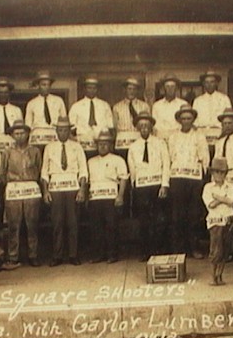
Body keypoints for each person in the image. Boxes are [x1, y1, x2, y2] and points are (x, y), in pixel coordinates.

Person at [41, 116, 88, 266]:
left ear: (69, 131)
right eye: (60, 130)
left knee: (73, 223)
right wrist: (45, 192)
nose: (62, 133)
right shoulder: (49, 148)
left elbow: (83, 171)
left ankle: (73, 255)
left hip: (72, 187)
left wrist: (82, 190)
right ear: (56, 131)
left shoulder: (77, 147)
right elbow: (44, 172)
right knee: (57, 223)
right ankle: (57, 255)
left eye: (65, 130)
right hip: (55, 187)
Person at [168, 104, 210, 258]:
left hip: (194, 178)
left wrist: (202, 176)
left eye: (189, 118)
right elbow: (170, 156)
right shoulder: (173, 137)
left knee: (193, 214)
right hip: (177, 177)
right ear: (179, 120)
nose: (186, 121)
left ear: (193, 120)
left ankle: (194, 248)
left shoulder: (199, 136)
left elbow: (205, 157)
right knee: (177, 214)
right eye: (183, 118)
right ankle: (179, 248)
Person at [127, 111, 170, 261]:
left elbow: (166, 164)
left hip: (157, 185)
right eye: (141, 126)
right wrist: (135, 187)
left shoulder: (160, 143)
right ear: (138, 128)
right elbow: (132, 168)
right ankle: (145, 251)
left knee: (159, 219)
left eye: (147, 125)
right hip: (142, 187)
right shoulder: (133, 147)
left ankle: (159, 249)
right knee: (143, 220)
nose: (144, 128)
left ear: (151, 127)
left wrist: (164, 185)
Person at [1, 120, 43, 267]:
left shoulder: (35, 151)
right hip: (14, 189)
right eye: (16, 133)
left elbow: (39, 169)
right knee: (13, 224)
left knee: (32, 223)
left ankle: (33, 255)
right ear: (12, 135)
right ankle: (13, 256)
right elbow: (2, 172)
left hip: (31, 188)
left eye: (22, 133)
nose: (19, 136)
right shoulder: (7, 152)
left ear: (27, 134)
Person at [87, 130, 129, 263]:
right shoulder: (91, 161)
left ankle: (112, 254)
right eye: (100, 144)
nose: (103, 146)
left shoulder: (118, 160)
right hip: (95, 197)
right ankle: (99, 254)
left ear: (111, 145)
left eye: (106, 143)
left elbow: (123, 179)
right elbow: (87, 181)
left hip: (111, 196)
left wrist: (120, 196)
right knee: (96, 227)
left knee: (111, 226)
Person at [202, 157, 233, 286]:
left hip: (227, 221)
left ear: (226, 174)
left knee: (225, 250)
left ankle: (220, 276)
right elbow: (211, 205)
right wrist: (224, 199)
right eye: (216, 172)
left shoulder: (230, 187)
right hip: (215, 222)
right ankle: (213, 277)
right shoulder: (208, 187)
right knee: (215, 251)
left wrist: (218, 198)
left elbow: (232, 202)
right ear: (212, 173)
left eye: (222, 172)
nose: (219, 175)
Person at [69, 76, 114, 155]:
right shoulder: (76, 106)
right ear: (85, 89)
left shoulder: (104, 105)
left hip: (100, 144)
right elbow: (72, 128)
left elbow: (110, 126)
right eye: (89, 88)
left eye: (94, 88)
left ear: (97, 89)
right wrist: (81, 132)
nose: (92, 90)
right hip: (82, 143)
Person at [25, 70, 67, 146]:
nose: (46, 87)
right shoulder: (32, 103)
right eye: (43, 85)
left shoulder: (58, 101)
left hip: (54, 134)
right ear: (38, 86)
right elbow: (28, 125)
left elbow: (64, 120)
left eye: (48, 85)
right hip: (37, 135)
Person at [192, 70, 232, 147]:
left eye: (212, 82)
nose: (209, 85)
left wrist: (222, 134)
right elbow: (194, 121)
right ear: (203, 84)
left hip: (219, 133)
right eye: (207, 82)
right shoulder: (198, 101)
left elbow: (229, 118)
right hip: (202, 133)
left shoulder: (224, 99)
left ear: (216, 83)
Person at [112, 77, 150, 154]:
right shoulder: (117, 107)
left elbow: (148, 126)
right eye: (129, 89)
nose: (131, 92)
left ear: (137, 91)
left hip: (139, 139)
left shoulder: (144, 106)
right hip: (122, 142)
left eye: (134, 89)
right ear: (125, 90)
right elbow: (114, 127)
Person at [151, 74, 188, 141]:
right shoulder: (157, 105)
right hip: (161, 138)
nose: (170, 89)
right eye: (167, 86)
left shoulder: (183, 104)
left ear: (176, 88)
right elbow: (155, 125)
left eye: (172, 86)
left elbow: (185, 124)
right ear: (164, 88)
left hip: (179, 138)